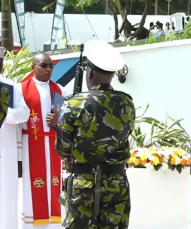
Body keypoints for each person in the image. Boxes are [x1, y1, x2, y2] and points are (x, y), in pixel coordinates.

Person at [56, 39, 135, 229]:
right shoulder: (127, 102)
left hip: (83, 182)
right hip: (116, 182)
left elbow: (62, 148)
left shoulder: (74, 103)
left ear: (89, 72)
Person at [19, 53, 70, 227]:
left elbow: (67, 117)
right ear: (33, 67)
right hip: (30, 144)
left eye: (51, 66)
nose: (48, 70)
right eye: (43, 66)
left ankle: (53, 224)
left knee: (54, 184)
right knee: (32, 185)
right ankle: (33, 223)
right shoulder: (21, 89)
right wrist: (18, 154)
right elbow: (18, 124)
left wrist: (58, 121)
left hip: (53, 144)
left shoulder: (60, 89)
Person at [0, 70, 30, 229]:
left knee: (7, 194)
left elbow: (24, 113)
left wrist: (4, 112)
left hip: (6, 151)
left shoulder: (10, 85)